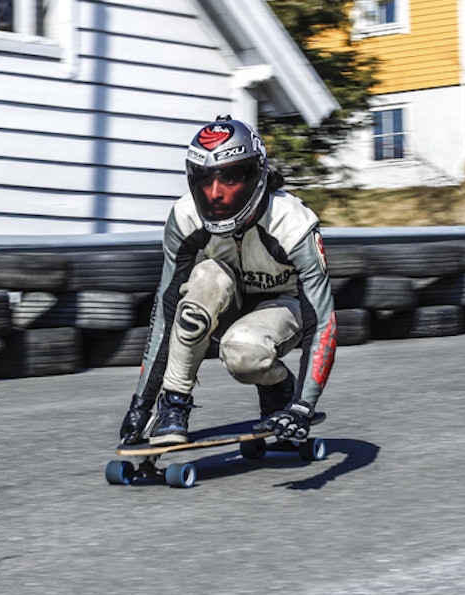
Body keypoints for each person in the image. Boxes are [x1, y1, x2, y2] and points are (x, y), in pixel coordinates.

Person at [118, 115, 337, 447]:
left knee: (242, 354)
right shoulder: (185, 217)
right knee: (206, 275)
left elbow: (322, 322)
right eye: (204, 181)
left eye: (230, 179)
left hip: (283, 310)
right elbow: (165, 310)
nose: (216, 194)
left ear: (256, 173)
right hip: (223, 304)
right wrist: (140, 404)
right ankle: (173, 403)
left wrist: (302, 406)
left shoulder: (293, 224)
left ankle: (279, 387)